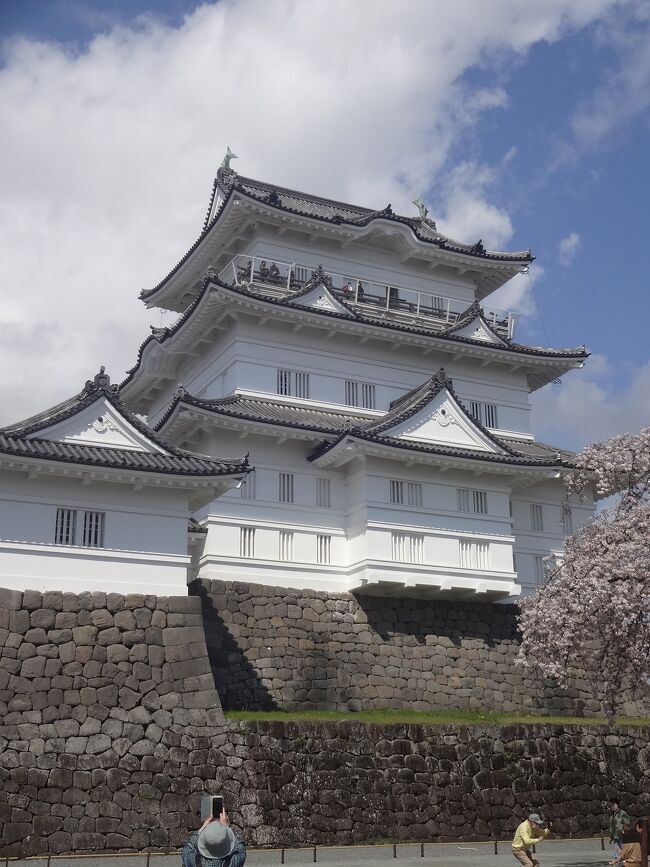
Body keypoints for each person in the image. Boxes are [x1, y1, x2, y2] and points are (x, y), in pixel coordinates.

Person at [181, 809, 246, 867]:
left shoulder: (193, 861)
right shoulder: (234, 862)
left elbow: (188, 847)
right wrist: (226, 826)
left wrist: (203, 827)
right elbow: (240, 846)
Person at [608, 798, 633, 865]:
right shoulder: (612, 814)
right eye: (611, 805)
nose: (612, 806)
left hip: (622, 835)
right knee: (616, 848)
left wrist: (625, 830)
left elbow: (627, 823)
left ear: (618, 805)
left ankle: (624, 860)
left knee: (623, 848)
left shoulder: (622, 813)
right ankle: (617, 860)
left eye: (613, 804)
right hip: (615, 835)